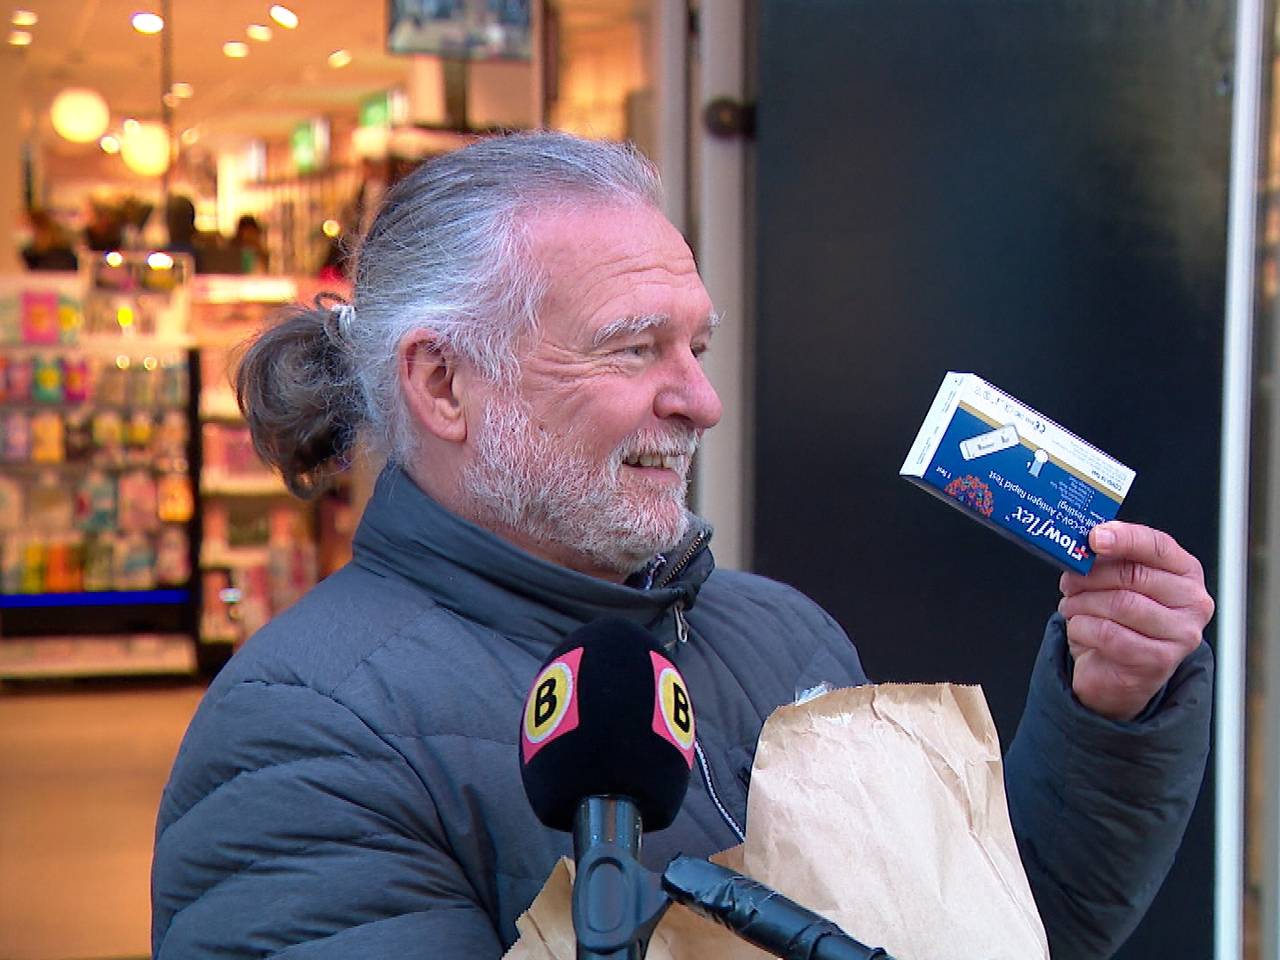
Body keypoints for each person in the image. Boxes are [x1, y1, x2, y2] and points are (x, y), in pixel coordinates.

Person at [151, 132, 1214, 959]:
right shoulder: (308, 731)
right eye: (634, 349)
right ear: (443, 384)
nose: (701, 400)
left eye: (696, 346)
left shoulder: (781, 632)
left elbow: (995, 928)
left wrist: (1110, 708)